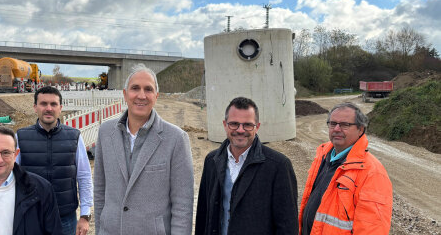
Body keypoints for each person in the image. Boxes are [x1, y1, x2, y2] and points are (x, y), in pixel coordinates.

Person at [93, 63, 194, 235]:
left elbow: (182, 204)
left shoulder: (176, 139)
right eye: (135, 88)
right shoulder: (105, 132)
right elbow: (100, 189)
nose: (141, 95)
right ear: (125, 94)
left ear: (156, 95)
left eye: (148, 89)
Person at [195, 97, 298, 235]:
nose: (241, 130)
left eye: (248, 125)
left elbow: (287, 225)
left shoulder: (278, 166)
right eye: (234, 124)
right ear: (225, 125)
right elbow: (203, 213)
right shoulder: (212, 161)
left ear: (257, 127)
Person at [299, 103, 392, 235]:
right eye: (333, 123)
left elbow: (372, 229)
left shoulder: (372, 172)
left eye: (344, 125)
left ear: (360, 129)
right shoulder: (323, 156)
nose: (337, 129)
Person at [16, 86, 93, 235]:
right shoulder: (21, 137)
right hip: (30, 216)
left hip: (65, 218)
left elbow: (84, 176)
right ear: (35, 107)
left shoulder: (74, 137)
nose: (48, 108)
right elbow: (11, 176)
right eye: (43, 104)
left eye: (53, 104)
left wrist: (85, 215)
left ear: (60, 108)